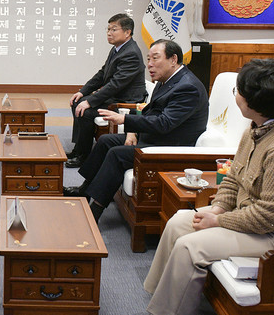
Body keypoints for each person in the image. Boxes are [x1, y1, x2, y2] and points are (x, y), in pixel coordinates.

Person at [136, 58, 274, 315]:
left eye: (239, 90)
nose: (235, 95)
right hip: (255, 221)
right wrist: (217, 209)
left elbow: (270, 218)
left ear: (255, 102)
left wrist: (219, 222)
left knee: (191, 246)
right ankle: (164, 308)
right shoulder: (257, 129)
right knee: (178, 222)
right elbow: (232, 179)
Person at [64, 39, 209, 223]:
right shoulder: (167, 80)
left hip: (169, 147)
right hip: (154, 137)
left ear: (173, 59)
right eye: (148, 59)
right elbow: (149, 111)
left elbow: (164, 123)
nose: (150, 64)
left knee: (117, 154)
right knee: (106, 141)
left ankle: (95, 212)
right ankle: (85, 190)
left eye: (155, 58)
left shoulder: (188, 87)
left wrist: (125, 120)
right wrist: (131, 130)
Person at [65, 14, 146, 168]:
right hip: (115, 96)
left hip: (125, 102)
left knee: (86, 111)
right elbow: (103, 74)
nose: (109, 33)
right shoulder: (117, 49)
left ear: (127, 32)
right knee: (77, 102)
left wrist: (90, 101)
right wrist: (83, 92)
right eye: (108, 29)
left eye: (114, 29)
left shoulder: (131, 53)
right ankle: (78, 149)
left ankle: (83, 156)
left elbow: (115, 84)